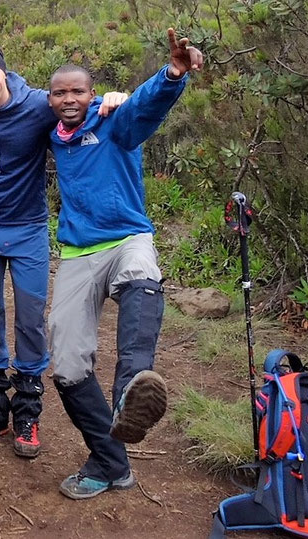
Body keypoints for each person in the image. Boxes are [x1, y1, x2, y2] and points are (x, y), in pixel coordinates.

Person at [0, 43, 126, 458]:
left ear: (5, 74)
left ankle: (27, 410)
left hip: (27, 229)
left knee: (30, 317)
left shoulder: (39, 105)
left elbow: (76, 104)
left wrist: (113, 99)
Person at [47, 29, 200, 499]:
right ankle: (112, 462)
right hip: (76, 251)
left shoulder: (114, 120)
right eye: (60, 93)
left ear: (92, 94)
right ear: (49, 99)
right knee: (67, 365)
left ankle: (132, 392)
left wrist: (171, 73)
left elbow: (143, 108)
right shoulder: (50, 133)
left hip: (127, 237)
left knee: (142, 274)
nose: (69, 99)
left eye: (78, 91)